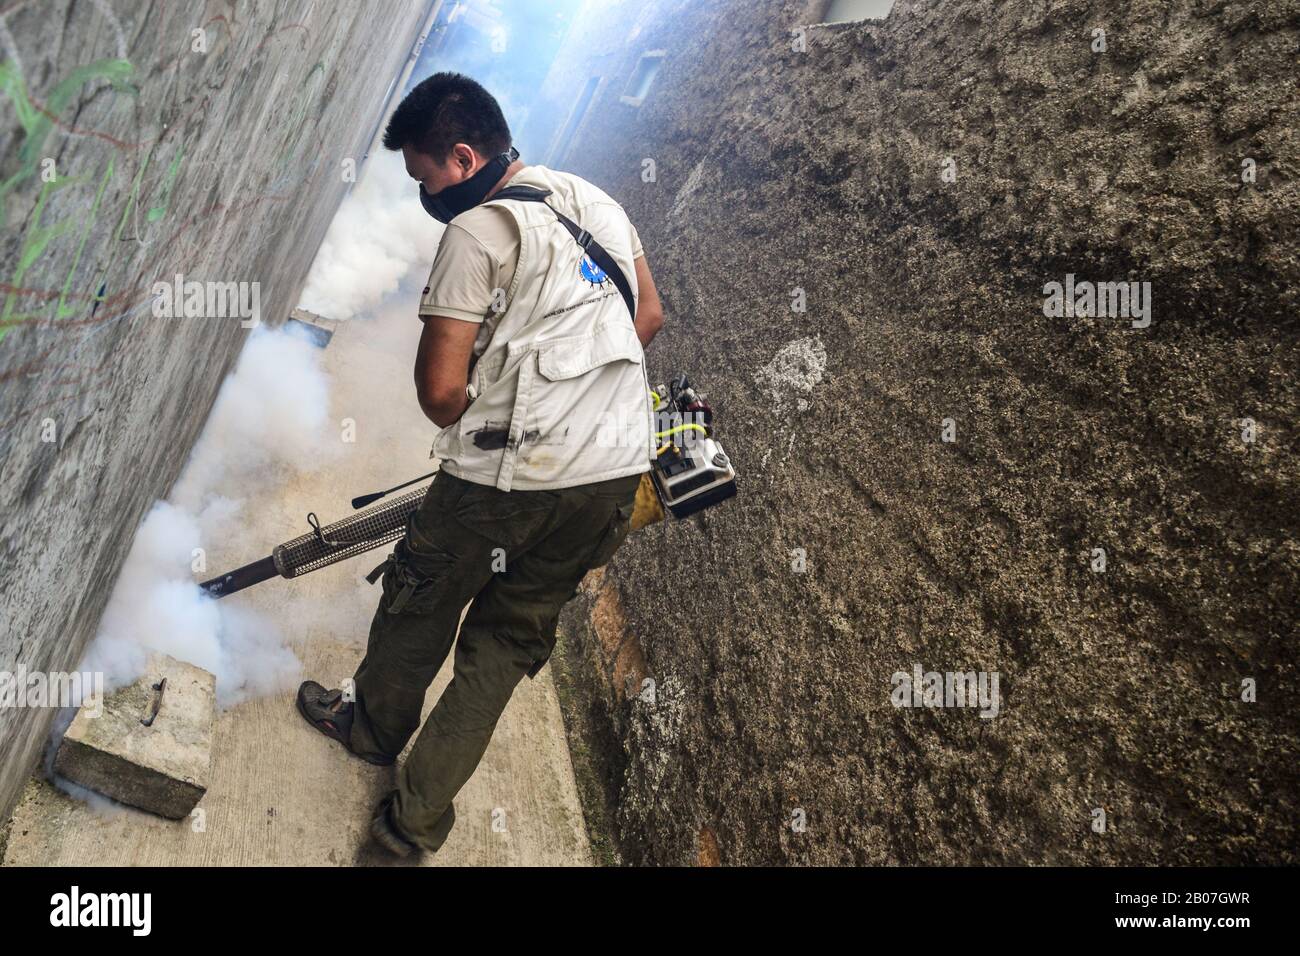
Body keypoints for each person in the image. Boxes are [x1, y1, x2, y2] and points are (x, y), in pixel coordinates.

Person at [296, 72, 665, 857]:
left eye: (424, 177)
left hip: (503, 484)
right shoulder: (597, 201)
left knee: (419, 601)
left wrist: (507, 405)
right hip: (612, 479)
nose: (424, 195)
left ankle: (368, 730)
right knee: (504, 647)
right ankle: (413, 823)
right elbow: (650, 317)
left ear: (461, 157)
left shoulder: (478, 232)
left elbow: (439, 393)